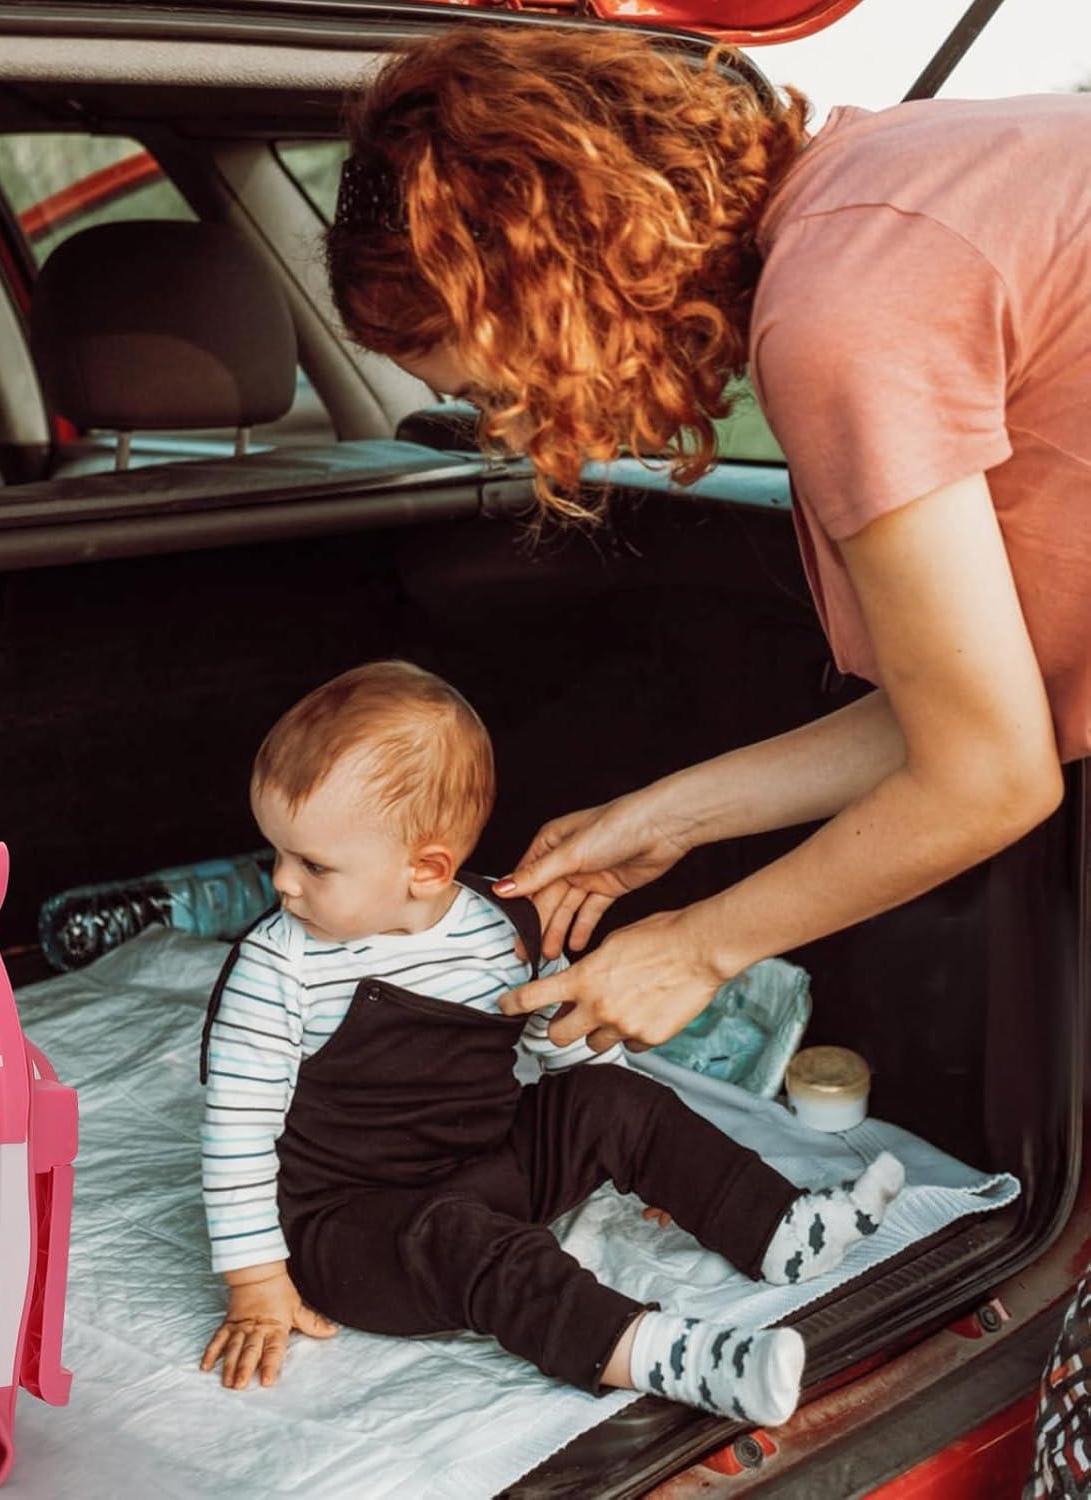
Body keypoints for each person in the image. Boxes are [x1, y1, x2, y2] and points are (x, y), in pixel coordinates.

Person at [321, 25, 1088, 1492]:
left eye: (499, 380)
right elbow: (968, 706)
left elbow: (995, 776)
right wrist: (669, 816)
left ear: (551, 276)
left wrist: (701, 947)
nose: (527, 424)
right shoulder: (897, 194)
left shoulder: (845, 312)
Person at [196, 659, 903, 1423]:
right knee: (459, 1237)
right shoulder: (279, 967)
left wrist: (665, 1165)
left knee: (614, 1096)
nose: (282, 883)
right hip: (356, 1229)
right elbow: (237, 1134)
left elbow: (565, 1034)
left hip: (493, 1168)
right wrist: (257, 1283)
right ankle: (657, 1352)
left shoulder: (503, 929)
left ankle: (778, 1227)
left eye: (312, 864)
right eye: (277, 852)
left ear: (426, 869)